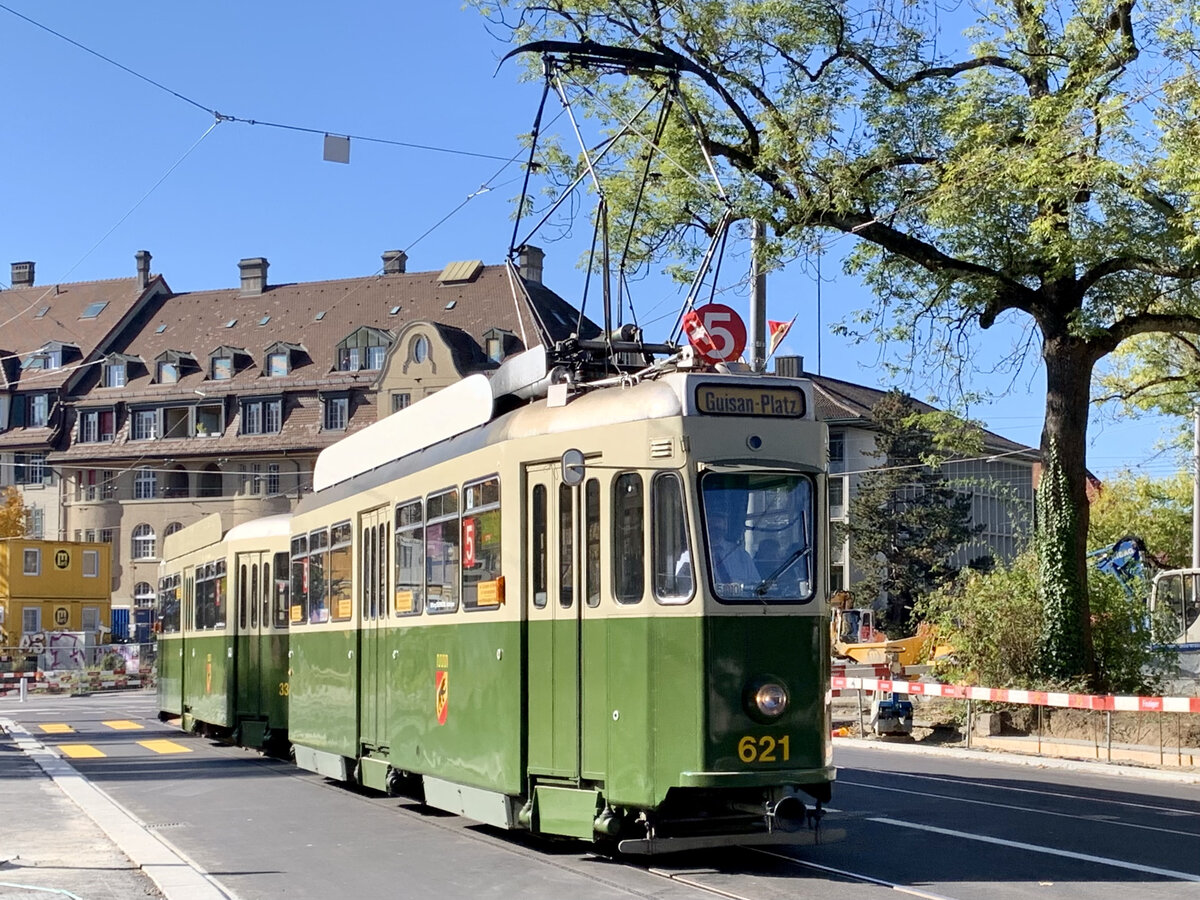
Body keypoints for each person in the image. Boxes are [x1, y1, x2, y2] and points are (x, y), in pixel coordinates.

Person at [706, 506, 758, 588]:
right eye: (713, 527)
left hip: (739, 600)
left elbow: (756, 585)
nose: (716, 529)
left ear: (725, 527)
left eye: (719, 528)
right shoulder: (691, 555)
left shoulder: (741, 555)